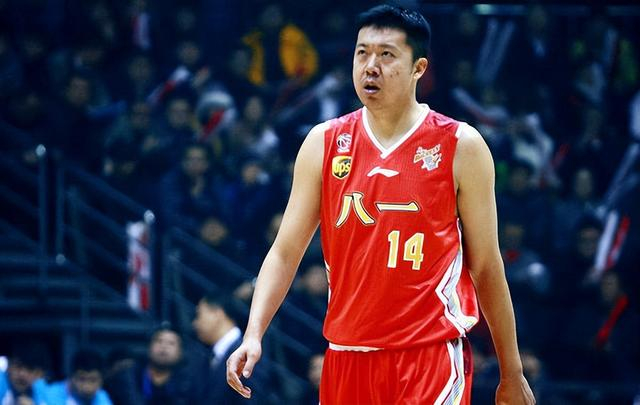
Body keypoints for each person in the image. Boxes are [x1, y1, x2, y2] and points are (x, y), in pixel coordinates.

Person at [227, 5, 535, 404]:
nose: (370, 66)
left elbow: (487, 266)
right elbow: (285, 252)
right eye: (362, 53)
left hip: (428, 356)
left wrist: (511, 371)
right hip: (345, 356)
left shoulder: (461, 145)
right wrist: (254, 333)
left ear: (418, 68)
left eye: (386, 55)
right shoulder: (323, 143)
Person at [105, 325, 190, 405]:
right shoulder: (129, 374)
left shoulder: (187, 381)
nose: (164, 346)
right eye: (159, 341)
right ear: (149, 346)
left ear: (180, 353)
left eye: (171, 343)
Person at [46, 348, 112, 405]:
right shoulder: (51, 395)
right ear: (71, 378)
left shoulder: (101, 396)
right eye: (82, 379)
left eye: (93, 380)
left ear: (101, 380)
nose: (87, 386)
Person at [0, 340, 50, 405]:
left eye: (30, 369)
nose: (22, 374)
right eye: (18, 366)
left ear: (39, 374)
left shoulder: (44, 389)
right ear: (8, 366)